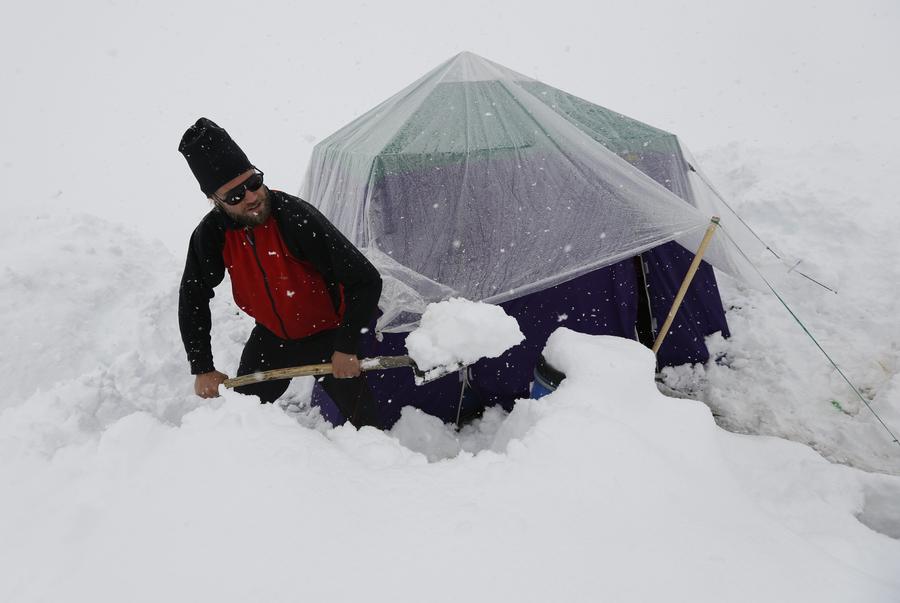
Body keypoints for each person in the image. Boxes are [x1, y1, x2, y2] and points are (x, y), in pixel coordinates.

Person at [177, 117, 382, 427]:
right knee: (243, 418)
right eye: (235, 195)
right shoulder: (211, 235)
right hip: (273, 339)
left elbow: (365, 280)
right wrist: (202, 366)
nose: (251, 197)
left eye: (254, 182)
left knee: (367, 427)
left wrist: (346, 346)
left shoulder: (295, 218)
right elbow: (193, 296)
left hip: (329, 334)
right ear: (214, 201)